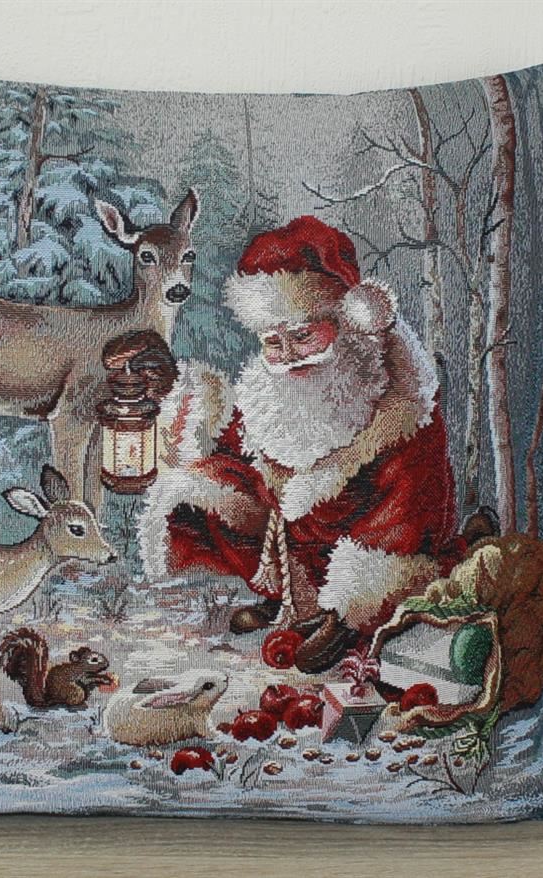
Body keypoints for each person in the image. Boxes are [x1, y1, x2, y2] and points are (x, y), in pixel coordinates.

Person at [138, 216, 464, 673]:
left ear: (343, 323)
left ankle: (345, 617)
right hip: (295, 553)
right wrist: (194, 458)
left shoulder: (392, 402)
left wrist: (356, 596)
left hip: (371, 546)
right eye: (274, 342)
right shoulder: (266, 395)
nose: (288, 355)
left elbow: (413, 508)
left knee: (389, 563)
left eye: (304, 336)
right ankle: (287, 600)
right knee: (208, 487)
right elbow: (238, 466)